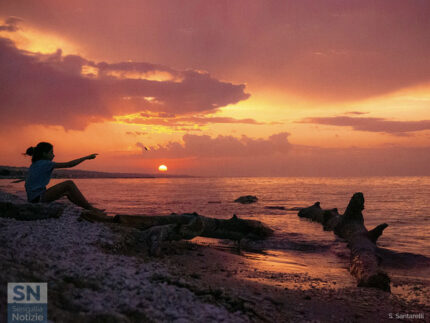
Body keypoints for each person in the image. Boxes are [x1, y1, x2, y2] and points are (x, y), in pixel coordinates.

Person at [24, 142, 104, 212]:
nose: (53, 155)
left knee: (67, 192)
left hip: (33, 198)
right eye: (51, 152)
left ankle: (88, 208)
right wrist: (86, 157)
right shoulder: (46, 163)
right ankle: (90, 208)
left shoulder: (35, 164)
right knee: (69, 184)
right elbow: (69, 164)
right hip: (38, 198)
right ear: (44, 154)